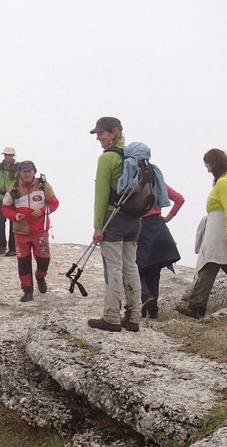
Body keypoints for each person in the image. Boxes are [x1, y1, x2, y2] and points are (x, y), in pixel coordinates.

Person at [175, 149, 227, 318]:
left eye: (208, 165)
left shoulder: (224, 182)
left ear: (214, 163)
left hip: (219, 230)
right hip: (223, 227)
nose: (207, 169)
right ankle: (196, 306)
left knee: (209, 262)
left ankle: (196, 307)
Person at [87, 116, 142, 332]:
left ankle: (111, 317)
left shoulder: (107, 158)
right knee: (131, 267)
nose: (99, 137)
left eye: (102, 133)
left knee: (113, 268)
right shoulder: (132, 155)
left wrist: (97, 226)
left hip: (114, 218)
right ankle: (134, 317)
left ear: (114, 133)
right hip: (134, 220)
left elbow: (101, 194)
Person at [1, 160, 59, 302]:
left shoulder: (42, 185)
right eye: (24, 171)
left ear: (34, 172)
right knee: (23, 262)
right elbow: (5, 208)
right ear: (19, 172)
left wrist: (42, 211)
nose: (27, 174)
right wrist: (14, 216)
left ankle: (40, 276)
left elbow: (54, 203)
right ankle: (27, 290)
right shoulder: (13, 187)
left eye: (29, 171)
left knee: (44, 259)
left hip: (40, 231)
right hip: (21, 232)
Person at [136, 184, 185, 318]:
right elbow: (179, 199)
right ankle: (153, 308)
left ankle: (146, 296)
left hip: (140, 228)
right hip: (159, 227)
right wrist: (168, 217)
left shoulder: (131, 182)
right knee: (154, 269)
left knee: (136, 267)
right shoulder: (156, 181)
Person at [0, 147, 19, 256]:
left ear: (13, 156)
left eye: (9, 155)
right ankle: (2, 246)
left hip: (13, 198)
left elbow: (19, 181)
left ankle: (12, 247)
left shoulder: (18, 167)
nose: (7, 157)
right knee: (0, 221)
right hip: (1, 197)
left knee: (13, 223)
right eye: (6, 155)